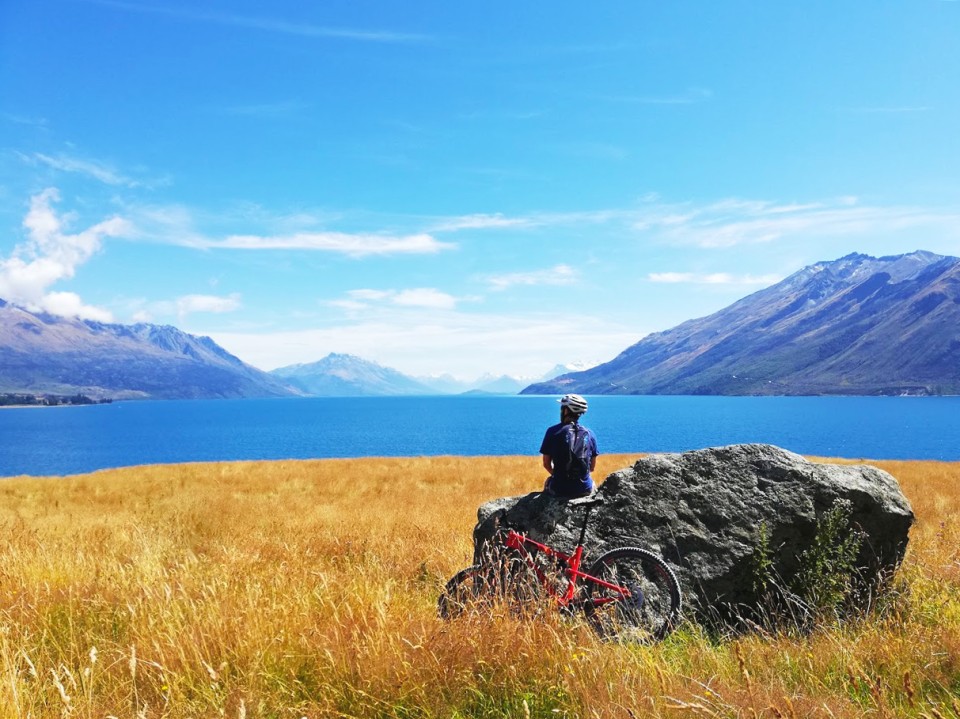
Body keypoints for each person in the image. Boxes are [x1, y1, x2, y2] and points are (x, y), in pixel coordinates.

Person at [539, 393, 598, 498]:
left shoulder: (552, 431)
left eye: (562, 408)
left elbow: (546, 464)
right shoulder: (590, 434)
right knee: (592, 483)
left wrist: (556, 475)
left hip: (559, 489)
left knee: (549, 481)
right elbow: (592, 468)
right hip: (584, 489)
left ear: (566, 410)